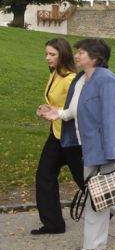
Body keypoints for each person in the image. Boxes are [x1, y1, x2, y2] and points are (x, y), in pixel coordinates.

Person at [40, 39, 115, 250]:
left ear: (95, 58)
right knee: (99, 192)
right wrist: (57, 113)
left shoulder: (107, 80)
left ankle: (95, 243)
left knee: (95, 196)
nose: (76, 56)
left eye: (81, 53)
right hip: (87, 145)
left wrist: (112, 151)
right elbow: (74, 110)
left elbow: (114, 116)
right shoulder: (80, 79)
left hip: (104, 146)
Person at [32, 38, 84, 235]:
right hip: (56, 135)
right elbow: (57, 103)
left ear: (63, 55)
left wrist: (56, 111)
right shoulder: (55, 74)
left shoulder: (71, 79)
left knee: (85, 180)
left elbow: (76, 109)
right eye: (47, 53)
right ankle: (53, 224)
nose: (47, 58)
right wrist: (47, 110)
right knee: (44, 175)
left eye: (52, 54)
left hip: (71, 139)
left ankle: (114, 209)